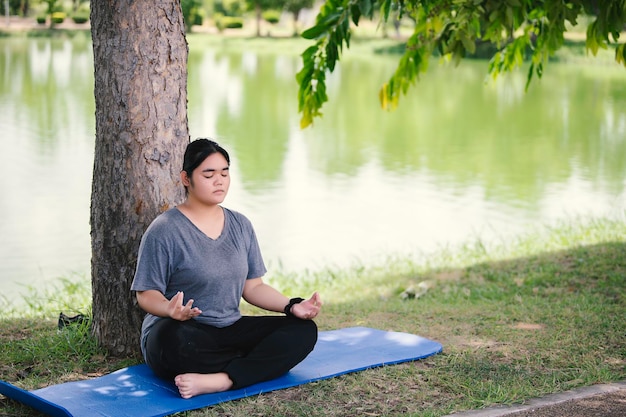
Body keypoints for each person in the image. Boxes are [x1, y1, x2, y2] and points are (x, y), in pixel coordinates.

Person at [131, 138, 322, 399]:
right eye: (209, 174)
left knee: (303, 331)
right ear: (186, 178)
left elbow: (253, 287)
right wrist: (169, 310)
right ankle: (254, 364)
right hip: (183, 333)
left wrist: (292, 306)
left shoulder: (240, 225)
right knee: (171, 341)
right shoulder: (165, 230)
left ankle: (222, 380)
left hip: (229, 329)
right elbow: (146, 293)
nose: (219, 181)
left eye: (224, 172)